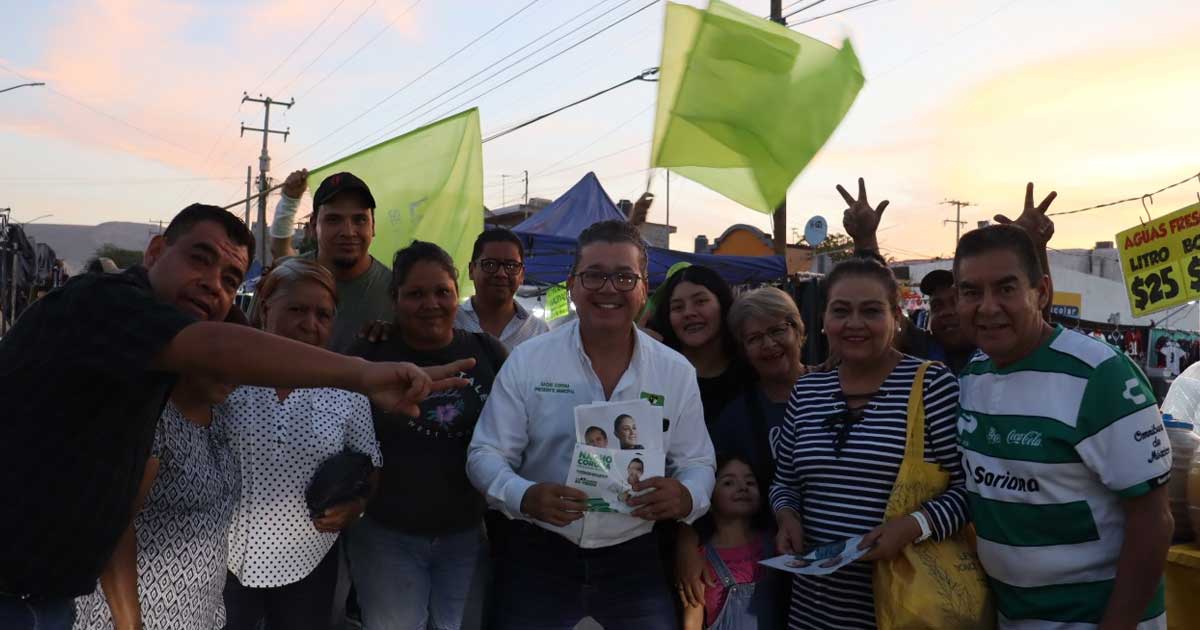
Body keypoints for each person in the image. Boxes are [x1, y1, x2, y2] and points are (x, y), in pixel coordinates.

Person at [0, 203, 468, 630]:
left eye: (230, 278)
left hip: (62, 595)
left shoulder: (157, 356)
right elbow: (217, 347)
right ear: (156, 251)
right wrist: (365, 372)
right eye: (200, 259)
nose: (213, 283)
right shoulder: (103, 303)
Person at [467, 219, 716, 630]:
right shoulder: (529, 360)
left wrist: (686, 496)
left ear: (643, 287)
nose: (608, 288)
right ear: (571, 285)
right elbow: (485, 453)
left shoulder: (675, 372)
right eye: (594, 275)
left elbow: (698, 462)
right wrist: (523, 495)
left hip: (634, 558)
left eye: (624, 276)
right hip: (538, 555)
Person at [954, 225, 1173, 629]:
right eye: (971, 292)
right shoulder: (973, 375)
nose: (987, 307)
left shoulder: (1101, 375)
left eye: (1006, 288)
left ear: (1041, 292)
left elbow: (1153, 520)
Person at [770, 257, 969, 629]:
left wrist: (911, 526)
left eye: (871, 311)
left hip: (907, 606)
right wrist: (787, 516)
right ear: (824, 320)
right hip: (813, 609)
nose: (855, 324)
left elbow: (968, 490)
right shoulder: (808, 391)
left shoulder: (932, 385)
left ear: (896, 317)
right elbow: (785, 482)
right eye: (841, 311)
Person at [347, 241, 507, 630]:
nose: (431, 303)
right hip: (386, 535)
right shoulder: (370, 355)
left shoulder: (488, 353)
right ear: (394, 298)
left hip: (465, 537)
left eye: (442, 292)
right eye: (415, 294)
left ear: (457, 294)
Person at [221, 258, 385, 630]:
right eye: (296, 309)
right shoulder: (227, 371)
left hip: (308, 560)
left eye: (323, 315)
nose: (309, 324)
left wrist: (355, 507)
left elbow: (371, 466)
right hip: (220, 559)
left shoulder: (347, 386)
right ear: (265, 309)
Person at [72, 369, 239, 630]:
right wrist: (129, 623)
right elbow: (115, 521)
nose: (233, 374)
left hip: (198, 608)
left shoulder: (223, 414)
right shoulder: (152, 419)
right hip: (143, 610)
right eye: (223, 361)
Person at [679, 287, 809, 611]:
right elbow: (705, 488)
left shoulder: (837, 392)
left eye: (778, 330)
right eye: (754, 338)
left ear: (799, 330)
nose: (768, 344)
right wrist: (686, 548)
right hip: (766, 568)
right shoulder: (735, 417)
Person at [840, 178, 1059, 365]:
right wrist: (865, 241)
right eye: (937, 306)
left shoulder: (1002, 349)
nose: (946, 313)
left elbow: (1038, 315)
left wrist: (1033, 247)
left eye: (954, 302)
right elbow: (884, 309)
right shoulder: (922, 351)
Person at [268, 169, 394, 353]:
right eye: (334, 220)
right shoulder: (287, 280)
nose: (348, 232)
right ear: (312, 226)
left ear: (373, 226)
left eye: (359, 220)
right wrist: (289, 201)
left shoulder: (398, 293)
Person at [682, 455, 780, 630]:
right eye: (728, 483)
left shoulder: (775, 544)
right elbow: (693, 622)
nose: (743, 487)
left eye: (750, 483)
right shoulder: (699, 560)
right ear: (708, 499)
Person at [648, 265, 750, 429]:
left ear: (722, 304)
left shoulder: (751, 371)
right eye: (677, 307)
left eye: (700, 301)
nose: (689, 313)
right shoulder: (655, 371)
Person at [455, 228, 550, 351]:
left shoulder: (538, 331)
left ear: (522, 275)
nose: (501, 274)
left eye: (511, 266)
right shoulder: (452, 322)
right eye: (490, 264)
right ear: (472, 270)